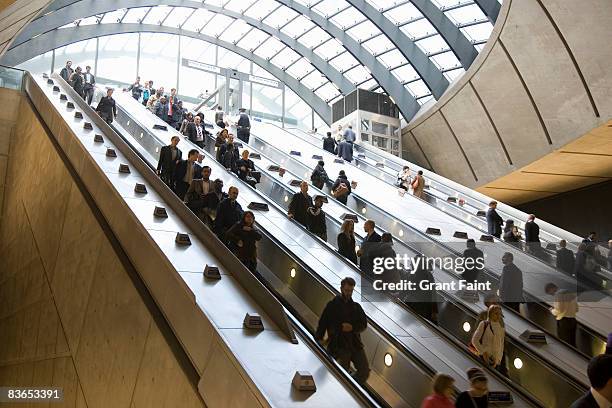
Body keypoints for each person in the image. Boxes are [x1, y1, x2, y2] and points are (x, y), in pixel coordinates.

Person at [315, 277, 370, 385]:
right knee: (342, 372)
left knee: (364, 371)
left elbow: (363, 324)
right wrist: (319, 338)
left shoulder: (356, 307)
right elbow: (323, 323)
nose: (349, 293)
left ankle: (352, 387)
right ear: (341, 289)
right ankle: (345, 388)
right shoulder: (332, 306)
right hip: (339, 344)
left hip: (355, 344)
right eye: (346, 290)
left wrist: (352, 327)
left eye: (351, 291)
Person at [471, 305, 505, 369]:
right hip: (483, 358)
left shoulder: (501, 329)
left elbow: (501, 346)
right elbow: (474, 340)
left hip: (494, 362)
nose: (498, 316)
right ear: (490, 314)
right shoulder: (484, 324)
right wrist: (483, 352)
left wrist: (498, 360)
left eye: (500, 314)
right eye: (496, 313)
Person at [545, 282, 578, 347]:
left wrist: (552, 310)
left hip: (564, 321)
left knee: (564, 343)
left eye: (550, 293)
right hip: (573, 320)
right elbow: (576, 309)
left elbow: (559, 310)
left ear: (551, 289)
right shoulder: (570, 294)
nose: (552, 295)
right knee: (572, 343)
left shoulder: (558, 295)